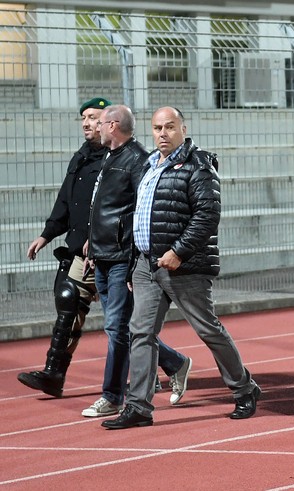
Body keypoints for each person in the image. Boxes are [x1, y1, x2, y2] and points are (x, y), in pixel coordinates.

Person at [102, 107, 260, 429]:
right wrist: (135, 263)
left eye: (169, 127)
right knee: (141, 333)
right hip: (147, 266)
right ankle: (139, 407)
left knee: (207, 329)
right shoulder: (149, 166)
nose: (162, 133)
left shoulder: (198, 166)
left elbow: (207, 216)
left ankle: (244, 388)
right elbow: (140, 218)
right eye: (157, 128)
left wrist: (178, 252)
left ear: (183, 129)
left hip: (183, 266)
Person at [81, 104, 192, 418]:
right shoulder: (109, 157)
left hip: (121, 257)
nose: (94, 127)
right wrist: (93, 240)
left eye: (99, 122)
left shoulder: (137, 160)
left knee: (118, 329)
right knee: (127, 329)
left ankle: (112, 396)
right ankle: (174, 363)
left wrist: (132, 260)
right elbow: (104, 207)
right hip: (103, 254)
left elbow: (140, 213)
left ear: (113, 125)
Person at [17, 97, 109, 397]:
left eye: (93, 117)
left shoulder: (116, 159)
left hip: (107, 250)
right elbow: (65, 202)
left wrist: (95, 239)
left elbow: (117, 209)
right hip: (78, 249)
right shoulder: (80, 157)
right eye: (83, 117)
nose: (86, 122)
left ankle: (170, 365)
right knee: (69, 302)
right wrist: (46, 235)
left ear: (109, 121)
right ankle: (54, 374)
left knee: (124, 321)